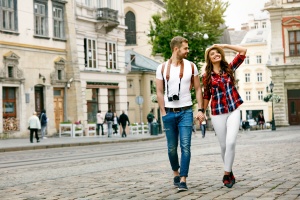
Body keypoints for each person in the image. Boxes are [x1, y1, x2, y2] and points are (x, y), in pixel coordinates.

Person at [156, 36, 205, 191]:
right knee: (171, 148)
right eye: (185, 48)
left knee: (185, 146)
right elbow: (159, 90)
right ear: (176, 49)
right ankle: (176, 173)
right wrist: (163, 112)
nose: (187, 51)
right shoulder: (162, 68)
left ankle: (183, 179)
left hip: (186, 111)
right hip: (169, 113)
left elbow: (198, 89)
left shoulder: (191, 66)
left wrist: (200, 109)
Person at [202, 44, 247, 188]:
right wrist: (201, 111)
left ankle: (226, 174)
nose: (216, 54)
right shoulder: (206, 76)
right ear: (209, 59)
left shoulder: (229, 68)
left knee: (231, 142)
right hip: (217, 112)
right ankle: (230, 171)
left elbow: (243, 51)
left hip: (233, 109)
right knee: (223, 146)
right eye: (212, 54)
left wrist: (223, 45)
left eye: (218, 52)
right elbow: (206, 95)